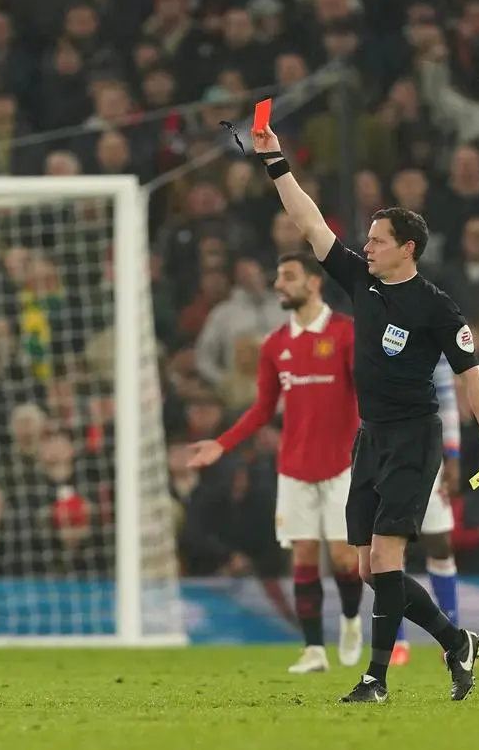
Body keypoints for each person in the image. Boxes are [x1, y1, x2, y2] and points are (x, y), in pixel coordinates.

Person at [251, 123, 479, 704]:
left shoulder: (437, 307)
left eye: (377, 240)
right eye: (366, 239)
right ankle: (456, 640)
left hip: (415, 438)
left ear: (406, 249)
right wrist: (275, 162)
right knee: (369, 569)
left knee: (387, 557)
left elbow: (473, 379)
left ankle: (375, 680)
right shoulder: (360, 282)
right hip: (369, 439)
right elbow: (310, 223)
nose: (365, 246)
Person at [188, 252, 364, 674]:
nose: (279, 285)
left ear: (314, 283)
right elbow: (263, 409)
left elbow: (365, 397)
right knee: (303, 556)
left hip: (341, 466)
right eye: (278, 277)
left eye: (288, 277)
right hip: (294, 468)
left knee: (343, 558)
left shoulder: (346, 333)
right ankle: (313, 650)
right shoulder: (275, 344)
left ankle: (352, 620)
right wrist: (222, 443)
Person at [393, 357, 462, 665]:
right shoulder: (371, 328)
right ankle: (396, 640)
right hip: (383, 448)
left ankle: (451, 633)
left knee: (440, 542)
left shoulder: (431, 330)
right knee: (389, 543)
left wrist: (454, 454)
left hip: (428, 447)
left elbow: (446, 396)